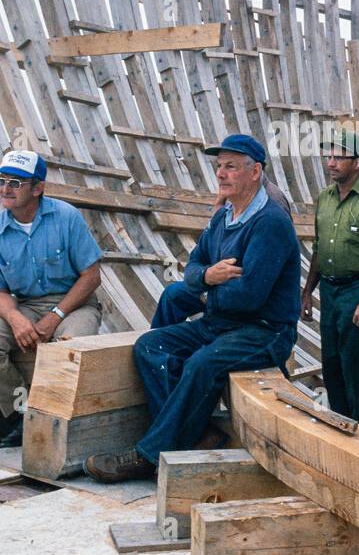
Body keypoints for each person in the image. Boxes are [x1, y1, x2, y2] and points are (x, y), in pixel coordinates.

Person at [84, 135, 300, 482]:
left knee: (201, 363)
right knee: (150, 346)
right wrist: (211, 277)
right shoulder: (224, 216)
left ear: (256, 171)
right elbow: (193, 269)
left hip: (265, 331)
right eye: (219, 166)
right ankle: (193, 435)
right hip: (222, 323)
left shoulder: (270, 222)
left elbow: (250, 296)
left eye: (231, 166)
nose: (221, 174)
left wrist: (204, 292)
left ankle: (149, 455)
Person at [0, 149, 102, 448]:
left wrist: (55, 315)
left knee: (71, 348)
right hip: (27, 304)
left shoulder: (66, 217)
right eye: (2, 181)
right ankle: (24, 415)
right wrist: (16, 320)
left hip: (75, 304)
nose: (5, 189)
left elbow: (91, 277)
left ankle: (64, 420)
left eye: (16, 183)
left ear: (38, 188)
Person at [301, 129, 359, 425]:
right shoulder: (325, 198)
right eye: (329, 156)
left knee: (357, 366)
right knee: (331, 363)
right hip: (330, 291)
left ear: (358, 163)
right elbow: (319, 248)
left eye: (339, 157)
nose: (331, 162)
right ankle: (339, 424)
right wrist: (307, 293)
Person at [150, 171, 292, 328]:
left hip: (244, 288)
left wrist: (210, 293)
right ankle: (161, 340)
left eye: (232, 165)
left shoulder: (273, 199)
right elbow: (207, 246)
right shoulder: (234, 193)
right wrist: (207, 275)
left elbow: (276, 253)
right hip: (219, 279)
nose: (222, 173)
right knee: (173, 295)